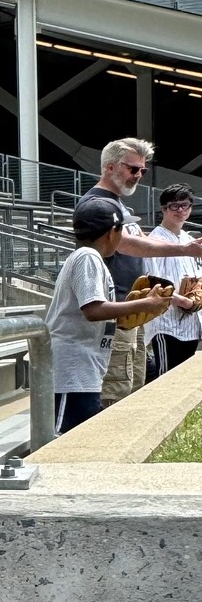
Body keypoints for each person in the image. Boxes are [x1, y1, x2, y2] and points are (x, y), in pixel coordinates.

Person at [82, 138, 202, 405]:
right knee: (121, 394)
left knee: (133, 389)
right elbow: (127, 245)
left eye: (142, 170)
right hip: (119, 313)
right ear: (110, 167)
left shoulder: (118, 206)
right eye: (133, 168)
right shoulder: (97, 205)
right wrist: (184, 250)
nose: (138, 175)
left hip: (132, 315)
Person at [46, 195, 170, 435]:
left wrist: (128, 315)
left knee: (83, 437)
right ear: (111, 232)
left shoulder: (91, 258)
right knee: (67, 440)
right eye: (122, 229)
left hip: (84, 369)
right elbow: (93, 309)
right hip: (72, 369)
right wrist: (145, 304)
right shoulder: (87, 257)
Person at [145, 184, 202, 378]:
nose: (180, 210)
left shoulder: (189, 239)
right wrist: (182, 301)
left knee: (185, 382)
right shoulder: (155, 240)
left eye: (185, 205)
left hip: (192, 324)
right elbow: (152, 283)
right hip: (166, 324)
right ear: (164, 209)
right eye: (174, 206)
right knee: (166, 380)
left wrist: (195, 299)